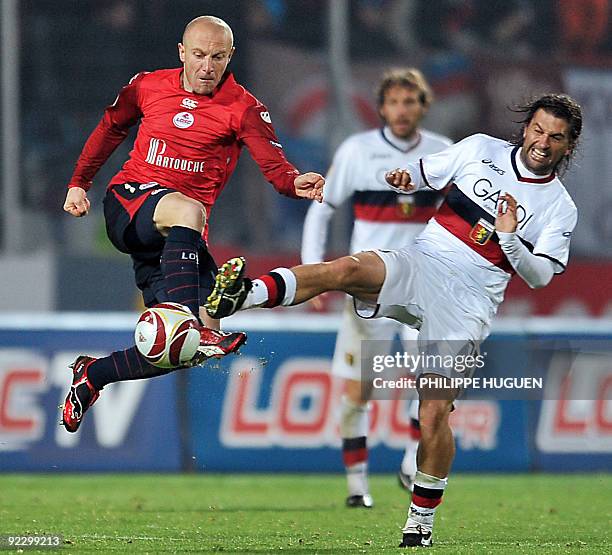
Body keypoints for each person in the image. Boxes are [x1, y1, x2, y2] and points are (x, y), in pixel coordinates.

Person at [206, 94, 582, 547]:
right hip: (423, 261)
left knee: (434, 412)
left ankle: (420, 523)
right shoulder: (480, 148)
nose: (542, 142)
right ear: (526, 127)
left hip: (468, 301)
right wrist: (404, 179)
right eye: (538, 130)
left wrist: (510, 241)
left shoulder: (559, 208)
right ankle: (242, 295)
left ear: (568, 146)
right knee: (346, 269)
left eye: (555, 137)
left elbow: (540, 276)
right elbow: (422, 173)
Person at [60, 15, 324, 434]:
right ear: (182, 52)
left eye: (217, 57)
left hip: (175, 237)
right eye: (198, 55)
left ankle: (93, 375)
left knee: (184, 348)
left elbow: (276, 170)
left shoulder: (245, 108)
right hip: (131, 202)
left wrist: (297, 182)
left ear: (230, 56)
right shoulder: (147, 85)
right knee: (189, 212)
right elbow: (110, 128)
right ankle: (187, 316)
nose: (206, 66)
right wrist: (79, 183)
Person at [301, 68, 452, 508]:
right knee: (358, 390)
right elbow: (322, 209)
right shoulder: (358, 151)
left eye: (410, 102)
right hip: (367, 287)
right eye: (394, 102)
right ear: (382, 107)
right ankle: (356, 485)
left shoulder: (442, 154)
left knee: (429, 380)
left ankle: (410, 462)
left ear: (423, 106)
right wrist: (314, 273)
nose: (401, 110)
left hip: (424, 287)